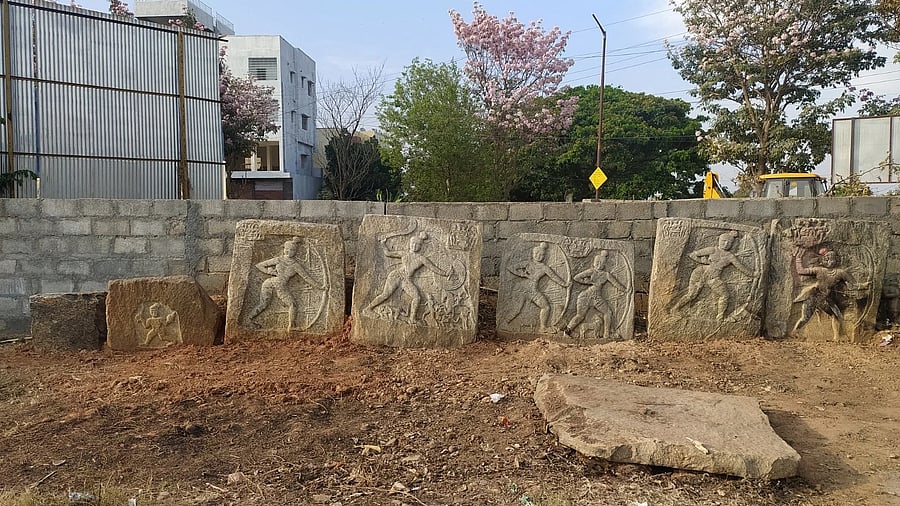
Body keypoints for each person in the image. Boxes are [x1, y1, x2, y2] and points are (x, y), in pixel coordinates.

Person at [366, 231, 448, 323]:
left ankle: (412, 318)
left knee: (417, 297)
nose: (414, 246)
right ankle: (368, 309)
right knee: (385, 295)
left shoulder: (421, 259)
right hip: (396, 276)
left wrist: (445, 273)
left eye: (417, 245)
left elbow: (433, 268)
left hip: (406, 280)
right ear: (409, 244)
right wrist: (383, 243)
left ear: (420, 246)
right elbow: (388, 253)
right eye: (413, 244)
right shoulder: (404, 253)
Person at [672, 230, 754, 320]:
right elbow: (693, 255)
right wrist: (704, 262)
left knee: (725, 295)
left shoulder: (730, 256)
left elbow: (741, 267)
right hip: (700, 273)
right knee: (692, 294)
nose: (726, 244)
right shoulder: (712, 249)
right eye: (724, 241)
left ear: (732, 244)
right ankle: (675, 309)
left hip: (714, 278)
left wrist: (753, 274)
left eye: (729, 242)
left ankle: (720, 317)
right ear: (719, 240)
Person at [248, 238, 324, 328]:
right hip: (272, 283)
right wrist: (270, 272)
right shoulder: (278, 259)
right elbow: (259, 265)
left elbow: (306, 277)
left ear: (295, 252)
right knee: (290, 304)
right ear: (284, 249)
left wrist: (319, 286)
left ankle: (250, 319)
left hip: (276, 284)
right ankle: (291, 326)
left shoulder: (296, 265)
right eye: (287, 249)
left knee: (266, 304)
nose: (288, 251)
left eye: (292, 250)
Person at [505, 242, 570, 332]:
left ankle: (542, 327)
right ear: (532, 254)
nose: (538, 256)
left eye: (541, 255)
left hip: (533, 291)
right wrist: (523, 274)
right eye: (536, 254)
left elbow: (554, 277)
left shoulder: (544, 267)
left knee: (546, 307)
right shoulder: (528, 263)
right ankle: (504, 323)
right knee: (516, 309)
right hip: (521, 289)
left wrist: (565, 284)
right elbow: (510, 267)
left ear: (544, 256)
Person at [792, 248, 854, 340]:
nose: (829, 260)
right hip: (814, 296)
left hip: (826, 298)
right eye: (827, 258)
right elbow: (801, 271)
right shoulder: (818, 270)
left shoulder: (841, 273)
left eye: (831, 258)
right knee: (805, 317)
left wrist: (863, 285)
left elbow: (852, 284)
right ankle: (794, 332)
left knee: (835, 315)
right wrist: (798, 259)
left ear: (836, 260)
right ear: (823, 260)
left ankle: (836, 336)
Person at [564, 251, 625, 339]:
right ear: (594, 263)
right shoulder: (592, 271)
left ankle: (606, 334)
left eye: (601, 263)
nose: (599, 265)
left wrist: (626, 290)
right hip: (586, 296)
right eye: (597, 263)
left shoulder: (606, 275)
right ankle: (567, 332)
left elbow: (616, 284)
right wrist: (589, 282)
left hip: (596, 297)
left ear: (604, 264)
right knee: (580, 316)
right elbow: (576, 277)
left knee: (608, 312)